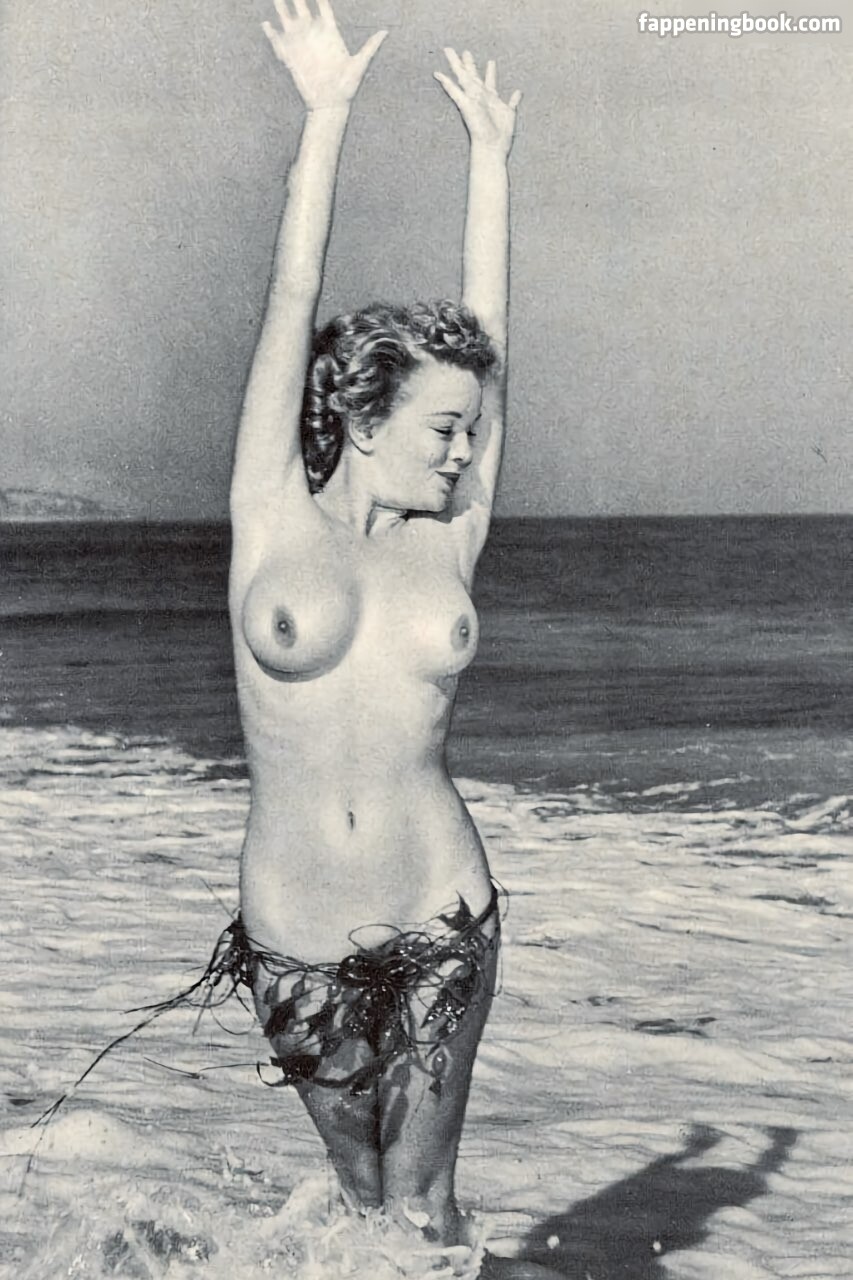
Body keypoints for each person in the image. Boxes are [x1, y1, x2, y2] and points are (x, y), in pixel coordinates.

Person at [227, 0, 522, 1256]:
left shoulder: (451, 537)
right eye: (441, 427)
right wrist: (326, 113)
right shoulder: (268, 512)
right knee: (361, 1210)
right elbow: (293, 289)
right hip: (291, 927)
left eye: (471, 430)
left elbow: (495, 339)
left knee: (423, 1210)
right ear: (359, 416)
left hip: (438, 906)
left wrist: (490, 162)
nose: (462, 451)